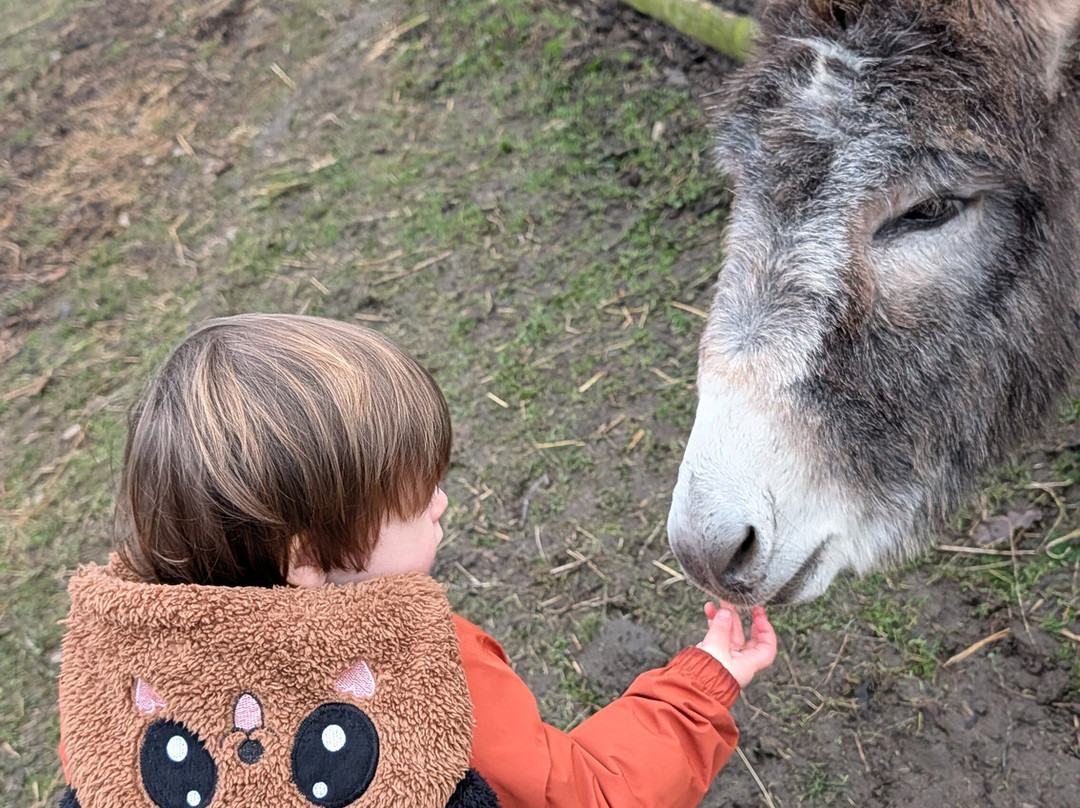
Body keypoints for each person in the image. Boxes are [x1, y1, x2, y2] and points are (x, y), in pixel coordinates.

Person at [57, 313, 777, 808]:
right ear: (308, 559)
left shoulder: (119, 685)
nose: (440, 503)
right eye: (413, 500)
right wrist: (701, 686)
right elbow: (580, 795)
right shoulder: (410, 675)